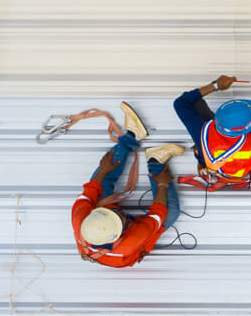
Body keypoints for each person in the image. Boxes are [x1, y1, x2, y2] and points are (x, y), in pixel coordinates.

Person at [72, 104, 186, 268]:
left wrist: (103, 170)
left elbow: (91, 189)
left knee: (101, 179)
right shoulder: (132, 241)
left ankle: (132, 136)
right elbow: (157, 214)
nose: (116, 210)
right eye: (117, 215)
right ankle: (156, 161)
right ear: (120, 232)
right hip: (140, 233)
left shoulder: (79, 218)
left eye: (109, 211)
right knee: (172, 211)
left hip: (116, 228)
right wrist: (162, 183)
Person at [174, 75, 251, 191]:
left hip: (212, 161)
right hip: (236, 172)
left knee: (195, 102)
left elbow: (180, 103)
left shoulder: (202, 132)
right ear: (247, 130)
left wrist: (216, 86)